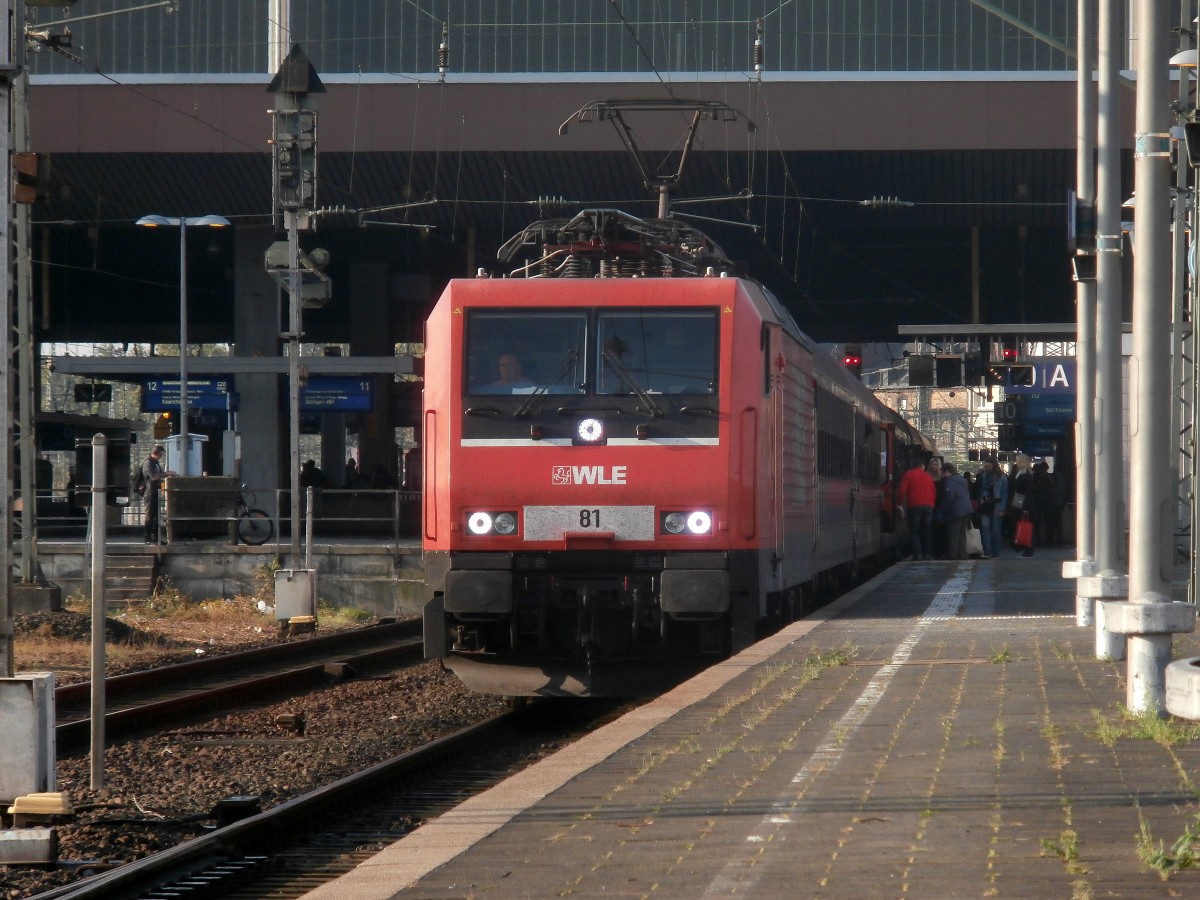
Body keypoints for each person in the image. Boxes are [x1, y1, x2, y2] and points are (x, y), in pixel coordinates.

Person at [895, 457, 936, 561]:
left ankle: (917, 555)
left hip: (915, 506)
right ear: (922, 467)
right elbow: (934, 492)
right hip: (928, 507)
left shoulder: (908, 475)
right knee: (927, 531)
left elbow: (902, 490)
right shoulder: (928, 476)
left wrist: (898, 503)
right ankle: (927, 554)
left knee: (914, 531)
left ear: (912, 467)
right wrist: (932, 505)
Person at [937, 462, 975, 560]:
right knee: (962, 532)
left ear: (946, 472)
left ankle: (952, 554)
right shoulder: (962, 480)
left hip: (956, 510)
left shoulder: (950, 482)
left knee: (953, 532)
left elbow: (949, 497)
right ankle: (963, 554)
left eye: (943, 473)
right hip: (967, 509)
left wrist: (942, 510)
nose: (943, 475)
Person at [141, 445, 176, 544]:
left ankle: (155, 536)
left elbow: (160, 473)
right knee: (150, 515)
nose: (160, 457)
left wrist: (166, 474)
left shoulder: (155, 462)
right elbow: (153, 476)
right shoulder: (148, 463)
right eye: (160, 455)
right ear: (155, 453)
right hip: (149, 492)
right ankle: (147, 537)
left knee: (156, 515)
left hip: (156, 490)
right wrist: (167, 473)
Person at [976, 457, 1008, 558]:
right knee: (985, 527)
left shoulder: (1002, 477)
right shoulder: (983, 475)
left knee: (995, 529)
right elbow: (981, 489)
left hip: (997, 504)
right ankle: (988, 550)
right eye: (986, 465)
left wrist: (1002, 509)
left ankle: (995, 551)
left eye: (989, 465)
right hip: (986, 503)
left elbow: (1004, 494)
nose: (988, 467)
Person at [1010, 453, 1037, 557]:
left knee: (1027, 525)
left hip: (1024, 503)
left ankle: (1028, 547)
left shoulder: (1026, 475)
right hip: (1019, 501)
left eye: (1018, 461)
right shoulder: (1020, 473)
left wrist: (1024, 507)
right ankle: (1022, 545)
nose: (1016, 463)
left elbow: (1026, 491)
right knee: (1020, 524)